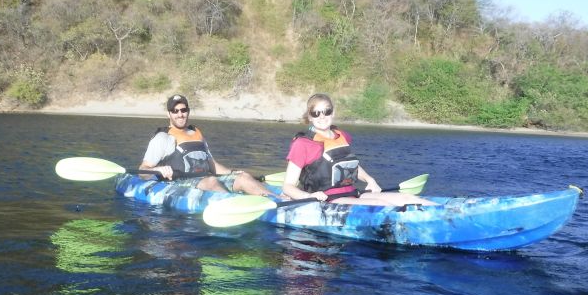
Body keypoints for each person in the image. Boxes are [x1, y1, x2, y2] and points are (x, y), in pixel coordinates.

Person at [282, 93, 432, 206]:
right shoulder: (302, 144)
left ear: (333, 113)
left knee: (409, 199)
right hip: (327, 201)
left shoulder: (342, 136)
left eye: (327, 111)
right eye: (316, 113)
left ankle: (452, 216)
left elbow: (348, 165)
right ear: (309, 117)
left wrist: (369, 180)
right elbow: (288, 187)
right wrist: (307, 196)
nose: (322, 117)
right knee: (384, 206)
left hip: (352, 194)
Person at [139, 94, 273, 195]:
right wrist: (157, 170)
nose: (180, 114)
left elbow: (211, 164)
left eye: (183, 110)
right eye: (175, 111)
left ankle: (275, 200)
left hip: (205, 180)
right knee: (212, 182)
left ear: (188, 111)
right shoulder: (163, 137)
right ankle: (235, 204)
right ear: (169, 114)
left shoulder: (197, 133)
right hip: (181, 184)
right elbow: (142, 171)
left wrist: (232, 172)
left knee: (244, 177)